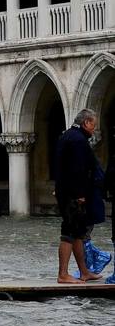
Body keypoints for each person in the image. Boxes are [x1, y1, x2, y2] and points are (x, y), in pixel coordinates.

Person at [55, 109, 102, 283]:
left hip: (66, 191)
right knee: (69, 232)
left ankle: (84, 271)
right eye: (93, 125)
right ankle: (63, 274)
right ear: (86, 122)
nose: (94, 129)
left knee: (78, 233)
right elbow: (77, 170)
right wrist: (80, 194)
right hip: (72, 194)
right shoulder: (78, 140)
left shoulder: (68, 136)